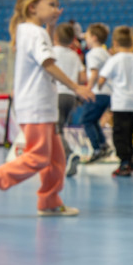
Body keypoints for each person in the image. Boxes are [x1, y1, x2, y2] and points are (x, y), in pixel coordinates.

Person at [0, 0, 94, 215]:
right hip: (37, 105)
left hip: (44, 106)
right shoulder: (33, 32)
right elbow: (47, 62)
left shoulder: (31, 31)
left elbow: (46, 48)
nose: (56, 8)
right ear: (32, 7)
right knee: (39, 156)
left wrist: (50, 26)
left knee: (57, 158)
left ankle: (49, 201)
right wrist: (76, 86)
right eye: (51, 4)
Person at [95, 26, 133, 177]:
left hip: (120, 102)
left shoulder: (114, 60)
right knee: (129, 132)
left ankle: (124, 162)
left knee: (119, 134)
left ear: (114, 42)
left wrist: (100, 87)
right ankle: (131, 156)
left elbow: (101, 79)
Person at [76, 23, 112, 162]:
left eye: (88, 36)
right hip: (108, 93)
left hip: (98, 92)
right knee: (94, 120)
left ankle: (97, 148)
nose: (86, 39)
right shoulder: (105, 53)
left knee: (86, 120)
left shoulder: (93, 54)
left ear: (94, 38)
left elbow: (94, 73)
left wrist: (87, 89)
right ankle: (104, 146)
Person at [52, 23, 85, 176]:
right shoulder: (74, 55)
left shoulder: (52, 52)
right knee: (59, 128)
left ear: (56, 37)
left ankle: (68, 153)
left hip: (57, 93)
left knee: (55, 129)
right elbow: (82, 77)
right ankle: (60, 159)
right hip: (70, 96)